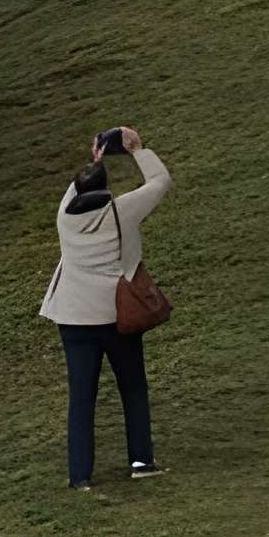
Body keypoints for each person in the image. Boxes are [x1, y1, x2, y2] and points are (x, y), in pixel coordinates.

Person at [39, 124, 170, 489]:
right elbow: (160, 182)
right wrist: (137, 149)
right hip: (116, 316)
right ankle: (141, 462)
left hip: (73, 319)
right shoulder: (121, 212)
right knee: (132, 389)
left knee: (81, 399)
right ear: (106, 188)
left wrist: (93, 160)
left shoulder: (65, 217)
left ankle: (80, 476)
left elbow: (77, 189)